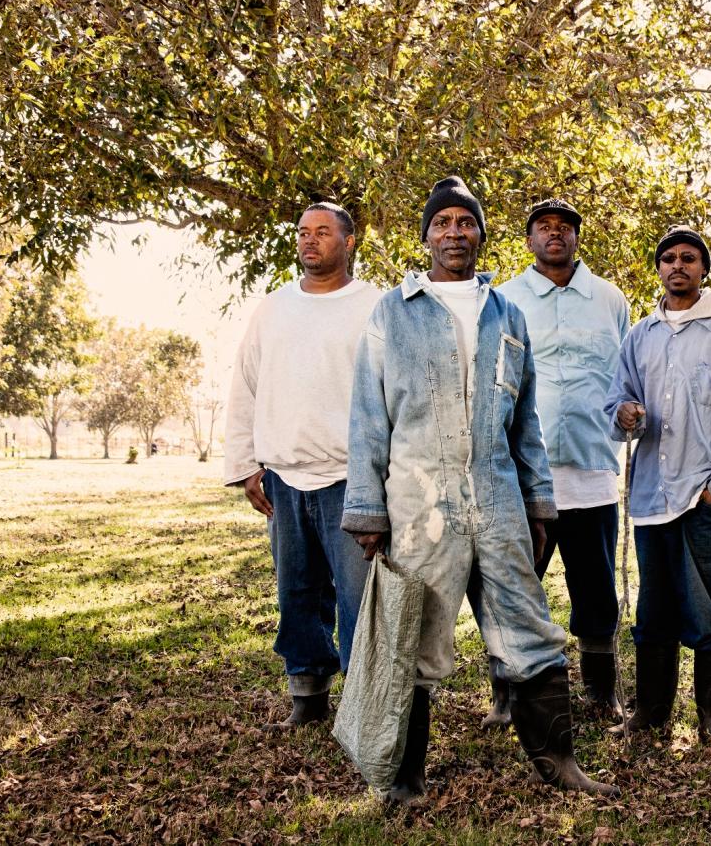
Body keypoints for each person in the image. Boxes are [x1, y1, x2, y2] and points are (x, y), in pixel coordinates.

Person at [341, 176, 617, 803]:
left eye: (466, 222)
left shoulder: (506, 314)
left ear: (481, 234)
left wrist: (539, 500)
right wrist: (367, 509)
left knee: (528, 622)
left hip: (496, 498)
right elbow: (366, 416)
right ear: (427, 236)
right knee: (414, 633)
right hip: (419, 502)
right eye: (443, 223)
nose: (455, 233)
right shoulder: (393, 311)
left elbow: (526, 423)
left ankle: (559, 761)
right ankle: (404, 777)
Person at [605, 225, 711, 744]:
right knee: (654, 610)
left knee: (707, 607)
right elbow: (616, 401)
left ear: (703, 269)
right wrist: (625, 413)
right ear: (659, 268)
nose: (678, 266)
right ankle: (652, 712)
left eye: (689, 258)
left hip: (705, 496)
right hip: (653, 494)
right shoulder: (641, 334)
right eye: (669, 258)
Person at [224, 201, 381, 731]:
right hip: (284, 478)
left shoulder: (375, 307)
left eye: (322, 232)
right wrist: (247, 464)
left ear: (350, 242)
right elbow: (245, 386)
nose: (310, 241)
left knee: (359, 599)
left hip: (352, 478)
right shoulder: (273, 309)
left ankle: (364, 705)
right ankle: (308, 697)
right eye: (302, 233)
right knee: (296, 593)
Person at [495, 198, 631, 725]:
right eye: (543, 228)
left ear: (577, 238)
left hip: (591, 471)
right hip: (524, 479)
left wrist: (627, 412)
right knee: (515, 587)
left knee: (595, 589)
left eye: (565, 228)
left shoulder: (609, 299)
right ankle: (507, 695)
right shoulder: (504, 300)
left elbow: (626, 376)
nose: (555, 235)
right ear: (529, 240)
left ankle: (602, 692)